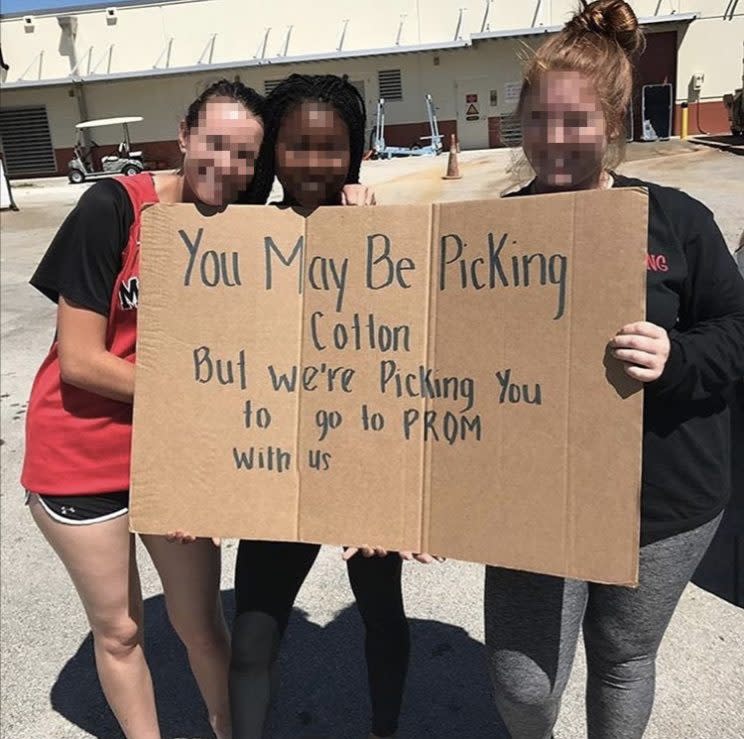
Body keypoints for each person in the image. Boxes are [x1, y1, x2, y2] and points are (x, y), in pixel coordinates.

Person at [484, 2, 744, 738]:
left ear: (615, 126)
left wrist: (677, 354)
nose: (553, 141)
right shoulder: (490, 234)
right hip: (536, 497)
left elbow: (736, 329)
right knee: (524, 684)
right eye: (537, 120)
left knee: (625, 658)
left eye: (576, 121)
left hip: (663, 498)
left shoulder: (677, 220)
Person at [22, 78, 268, 739]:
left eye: (245, 155)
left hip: (168, 454)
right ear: (184, 136)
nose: (228, 165)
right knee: (122, 628)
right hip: (79, 454)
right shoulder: (113, 208)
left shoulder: (236, 231)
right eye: (214, 144)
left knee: (201, 625)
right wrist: (192, 386)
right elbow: (79, 359)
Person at [228, 73, 433, 739]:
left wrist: (371, 237)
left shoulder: (383, 233)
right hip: (278, 467)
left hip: (362, 463)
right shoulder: (237, 241)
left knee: (382, 616)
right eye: (297, 146)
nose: (315, 162)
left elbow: (413, 355)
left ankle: (383, 730)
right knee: (253, 639)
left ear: (356, 153)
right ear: (273, 154)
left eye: (332, 147)